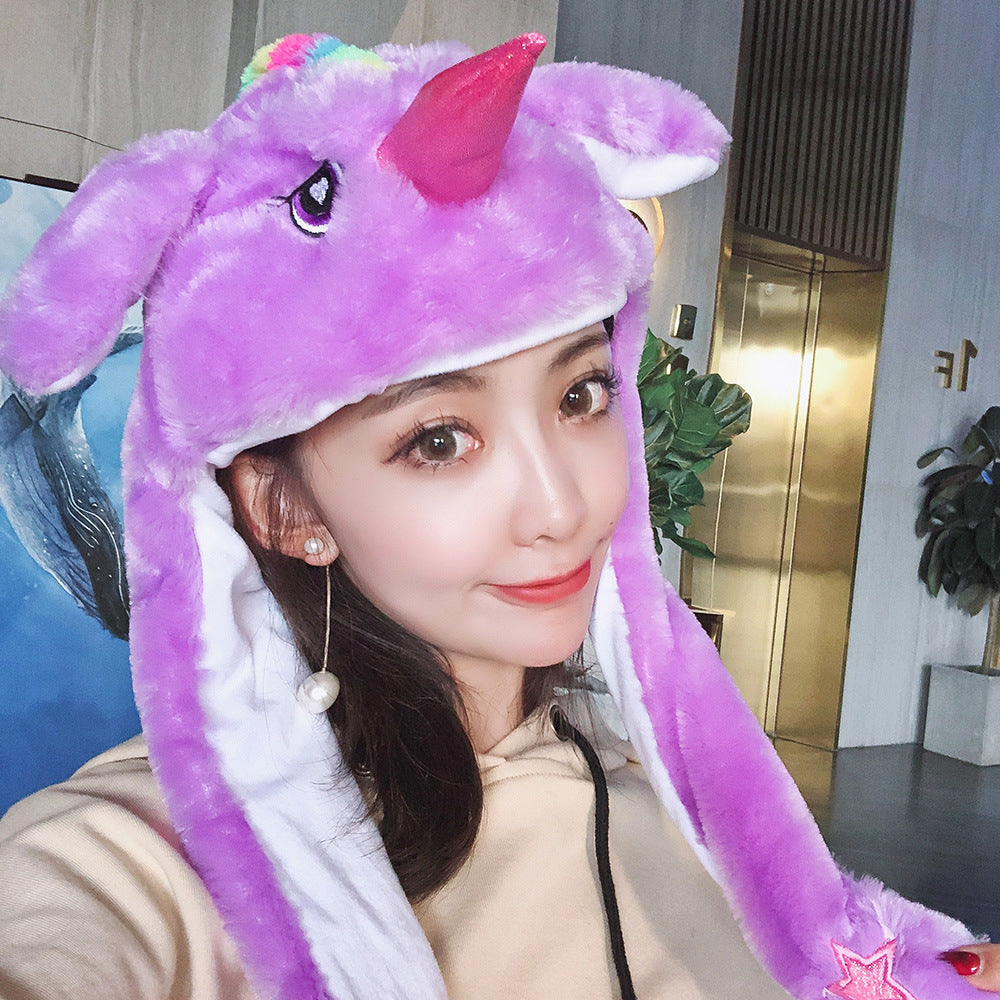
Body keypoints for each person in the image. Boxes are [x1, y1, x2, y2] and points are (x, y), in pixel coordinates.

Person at [0, 31, 992, 1000]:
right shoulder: (156, 853)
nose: (561, 505)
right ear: (285, 507)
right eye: (439, 440)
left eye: (580, 396)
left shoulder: (680, 795)